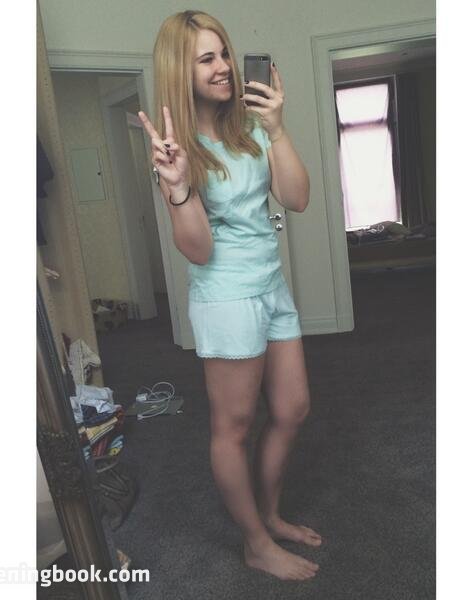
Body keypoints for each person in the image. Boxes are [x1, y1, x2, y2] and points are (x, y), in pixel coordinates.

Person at [138, 10, 321, 581]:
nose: (223, 67)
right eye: (206, 59)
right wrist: (177, 187)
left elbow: (297, 198)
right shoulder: (178, 150)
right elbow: (197, 249)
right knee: (233, 428)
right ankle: (255, 543)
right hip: (226, 297)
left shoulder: (249, 128)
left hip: (271, 286)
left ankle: (270, 515)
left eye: (224, 54)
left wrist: (278, 128)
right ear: (180, 70)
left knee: (292, 409)